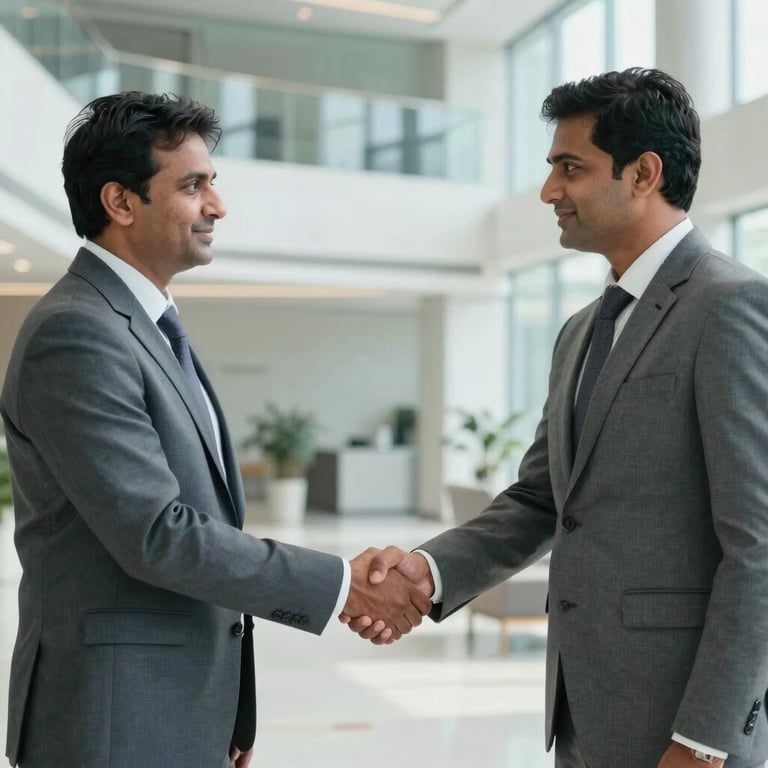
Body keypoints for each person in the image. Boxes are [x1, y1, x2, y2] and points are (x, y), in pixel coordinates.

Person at [345, 68, 768, 768]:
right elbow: (544, 501)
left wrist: (706, 740)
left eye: (570, 168)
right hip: (584, 716)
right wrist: (426, 573)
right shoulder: (582, 330)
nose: (550, 191)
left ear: (643, 174)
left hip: (684, 731)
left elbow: (759, 546)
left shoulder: (731, 308)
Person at [0, 92, 429, 768]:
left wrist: (222, 715)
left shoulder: (145, 323)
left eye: (214, 184)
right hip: (115, 720)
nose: (217, 206)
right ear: (120, 202)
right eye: (193, 185)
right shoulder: (77, 331)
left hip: (176, 707)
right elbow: (157, 534)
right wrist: (345, 585)